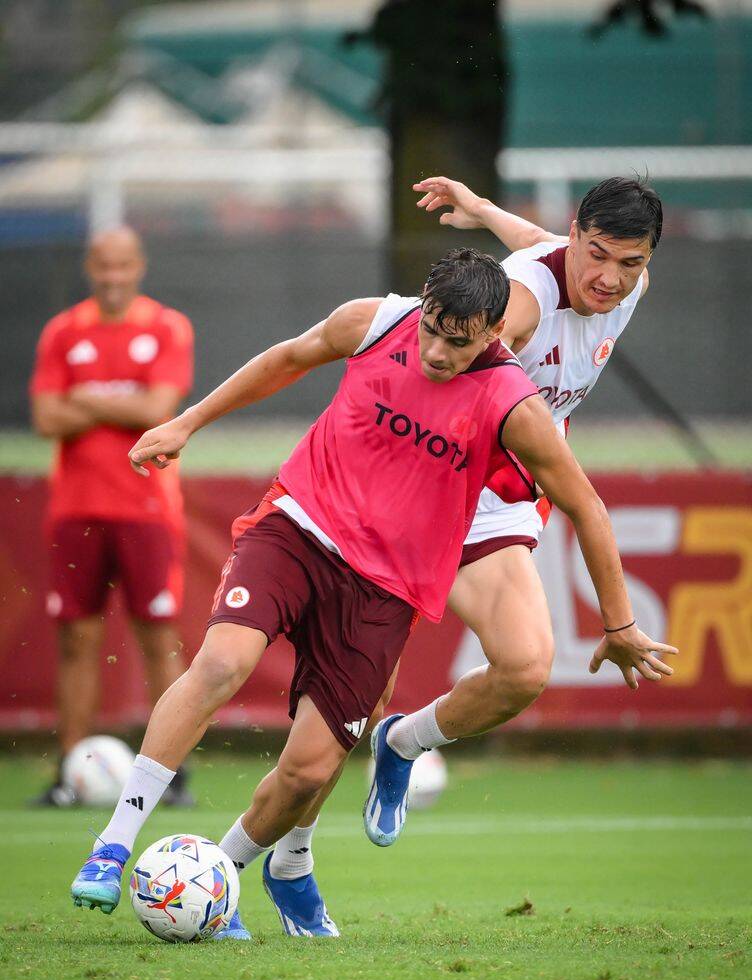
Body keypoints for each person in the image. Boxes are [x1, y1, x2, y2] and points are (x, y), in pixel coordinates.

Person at [68, 248, 672, 941]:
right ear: (423, 303)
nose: (440, 352)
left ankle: (235, 875)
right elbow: (287, 358)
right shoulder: (376, 322)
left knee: (307, 773)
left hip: (384, 586)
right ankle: (113, 844)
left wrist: (619, 624)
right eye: (435, 329)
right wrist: (186, 423)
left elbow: (588, 507)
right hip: (297, 526)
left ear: (494, 334)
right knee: (222, 663)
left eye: (461, 339)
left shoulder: (513, 404)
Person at [363, 174, 669, 848]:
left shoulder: (621, 280)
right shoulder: (518, 309)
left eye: (630, 262)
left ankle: (403, 745)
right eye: (598, 254)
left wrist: (478, 209)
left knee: (524, 669)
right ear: (579, 236)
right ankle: (288, 856)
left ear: (646, 258)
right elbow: (436, 348)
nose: (611, 278)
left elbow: (538, 241)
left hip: (498, 497)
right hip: (418, 481)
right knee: (356, 696)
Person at [29, 227, 195, 807]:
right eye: (103, 265)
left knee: (158, 636)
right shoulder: (63, 332)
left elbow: (157, 408)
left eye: (123, 264)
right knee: (76, 638)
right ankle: (69, 773)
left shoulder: (166, 327)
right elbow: (46, 418)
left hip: (146, 507)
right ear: (90, 267)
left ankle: (171, 772)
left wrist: (86, 399)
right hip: (75, 508)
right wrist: (117, 404)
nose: (113, 275)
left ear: (139, 266)